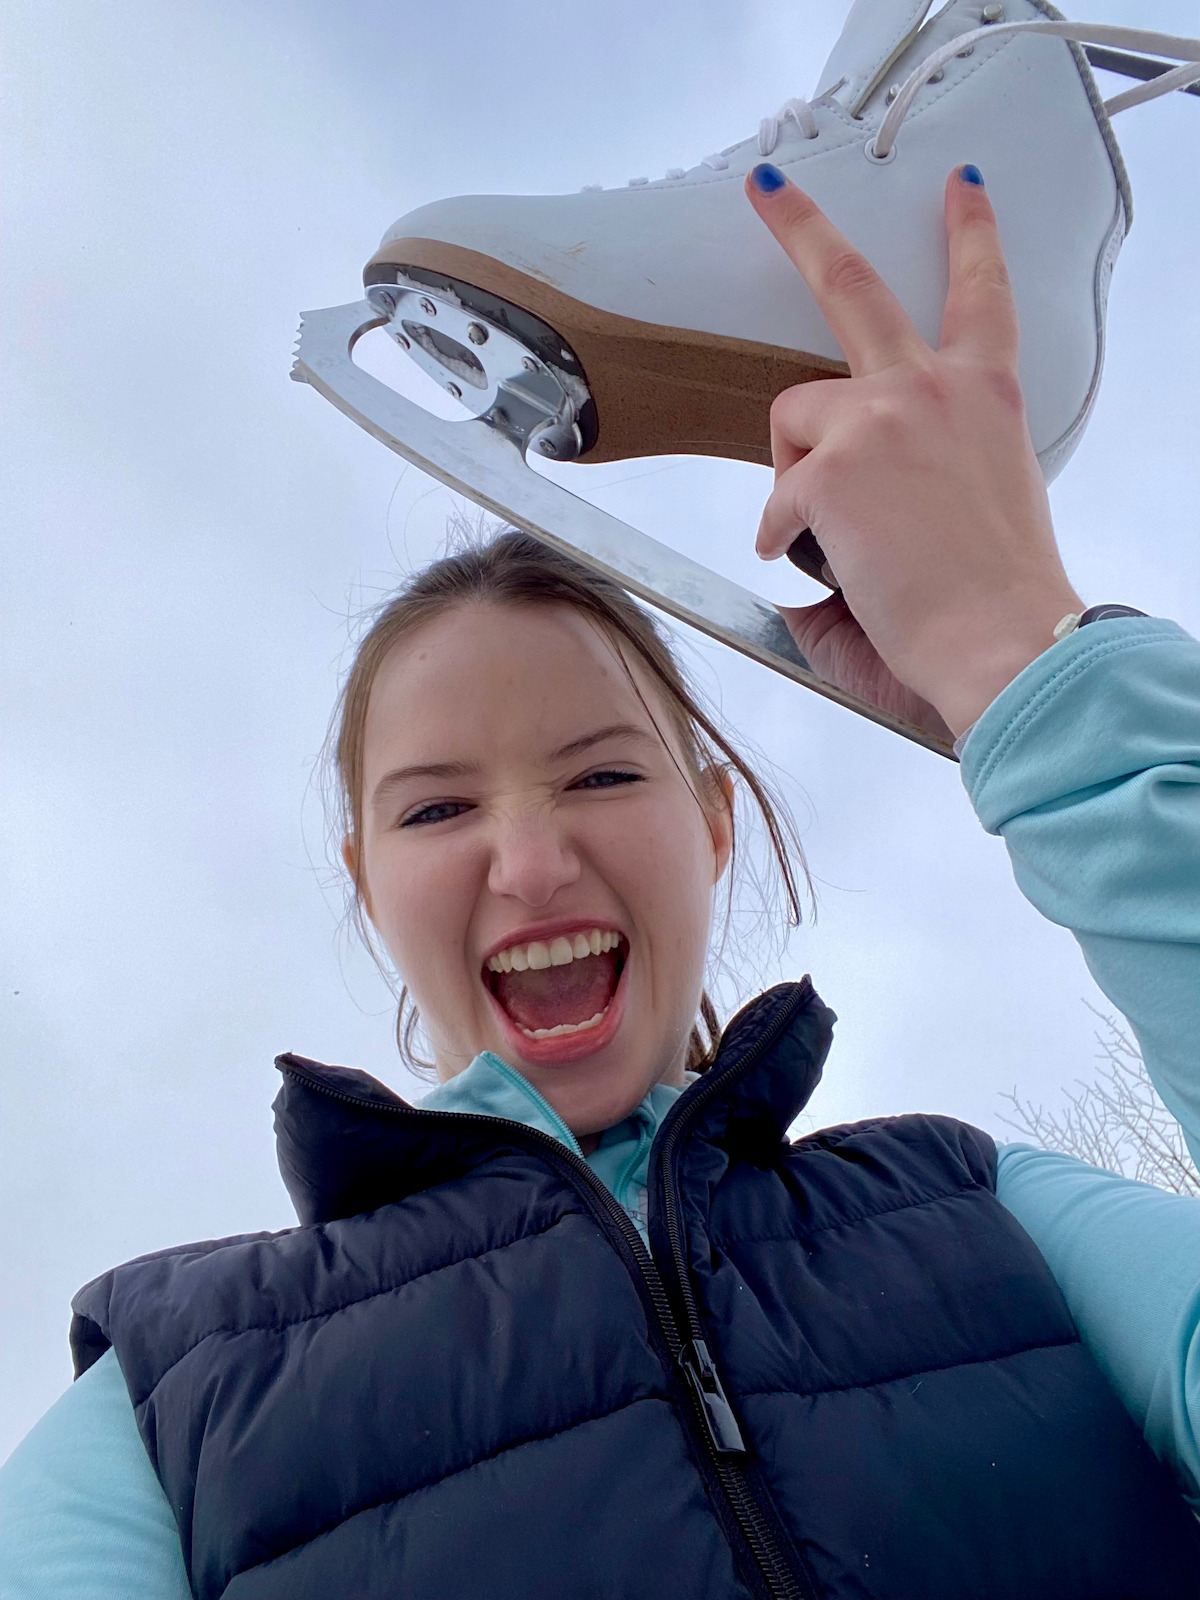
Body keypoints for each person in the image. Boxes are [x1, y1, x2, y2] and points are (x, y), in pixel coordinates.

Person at [2, 164, 1199, 1599]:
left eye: (601, 776)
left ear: (710, 827)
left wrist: (1027, 661)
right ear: (366, 882)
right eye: (437, 808)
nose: (530, 859)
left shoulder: (996, 1212)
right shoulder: (172, 1391)